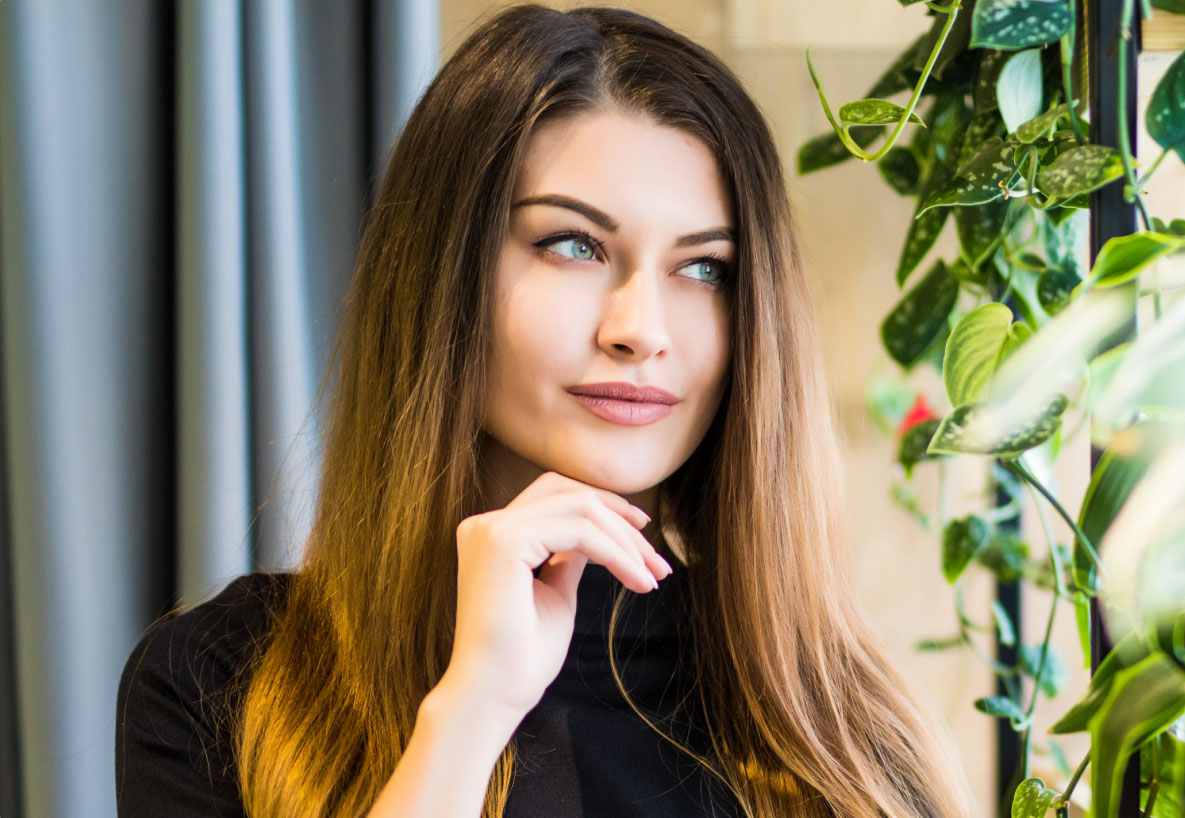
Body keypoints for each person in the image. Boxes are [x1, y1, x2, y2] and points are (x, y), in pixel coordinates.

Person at [113, 5, 974, 817]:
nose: (641, 330)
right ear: (441, 278)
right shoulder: (218, 684)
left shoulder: (846, 735)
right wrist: (471, 707)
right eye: (573, 245)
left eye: (706, 267)